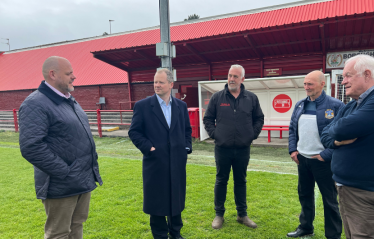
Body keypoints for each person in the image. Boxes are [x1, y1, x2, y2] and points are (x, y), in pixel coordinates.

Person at [19, 56, 103, 239]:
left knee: (76, 226)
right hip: (61, 183)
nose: (74, 76)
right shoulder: (35, 103)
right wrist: (65, 172)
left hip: (80, 180)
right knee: (58, 233)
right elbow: (31, 146)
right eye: (69, 73)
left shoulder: (69, 100)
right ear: (52, 74)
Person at [128, 68, 192, 239]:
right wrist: (149, 148)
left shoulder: (181, 106)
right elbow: (134, 132)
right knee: (157, 200)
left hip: (177, 162)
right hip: (155, 162)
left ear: (171, 84)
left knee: (176, 198)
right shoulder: (143, 106)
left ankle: (176, 233)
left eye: (161, 82)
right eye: (155, 81)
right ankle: (160, 235)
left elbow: (187, 130)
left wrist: (186, 148)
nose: (157, 85)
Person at [203, 64, 264, 230]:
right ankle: (219, 214)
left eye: (235, 76)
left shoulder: (251, 98)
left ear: (242, 79)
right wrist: (216, 135)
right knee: (221, 180)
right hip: (222, 148)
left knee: (241, 181)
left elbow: (259, 118)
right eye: (230, 75)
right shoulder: (217, 98)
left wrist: (252, 135)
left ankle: (242, 215)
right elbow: (208, 119)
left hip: (243, 149)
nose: (231, 79)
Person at [321, 54, 374, 239]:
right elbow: (326, 135)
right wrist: (336, 141)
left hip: (364, 191)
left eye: (348, 76)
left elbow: (343, 128)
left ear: (367, 74)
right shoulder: (351, 106)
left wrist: (336, 133)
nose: (343, 82)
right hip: (349, 188)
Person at [287, 70, 344, 239]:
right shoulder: (300, 105)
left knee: (330, 200)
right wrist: (293, 150)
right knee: (304, 195)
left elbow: (342, 134)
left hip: (323, 162)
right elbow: (292, 129)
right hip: (302, 160)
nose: (306, 87)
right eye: (305, 83)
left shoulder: (335, 105)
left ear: (322, 84)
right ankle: (306, 227)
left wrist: (327, 154)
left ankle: (333, 235)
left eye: (310, 84)